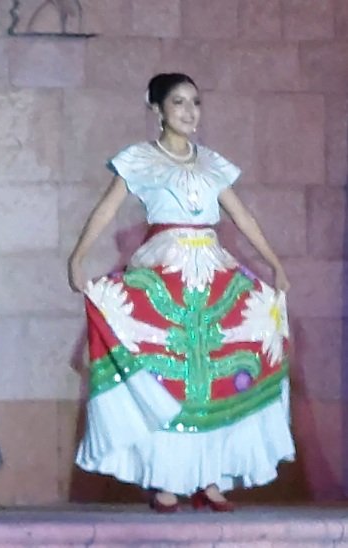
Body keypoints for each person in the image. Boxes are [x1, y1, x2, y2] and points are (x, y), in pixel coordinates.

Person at [67, 73, 294, 513]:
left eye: (195, 102)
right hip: (165, 268)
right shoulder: (139, 159)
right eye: (178, 102)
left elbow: (242, 216)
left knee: (216, 369)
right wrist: (78, 257)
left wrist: (275, 264)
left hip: (213, 270)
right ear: (156, 109)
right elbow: (106, 209)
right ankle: (166, 478)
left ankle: (210, 477)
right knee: (165, 368)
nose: (190, 112)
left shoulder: (212, 163)